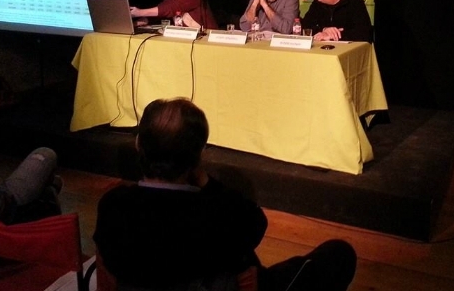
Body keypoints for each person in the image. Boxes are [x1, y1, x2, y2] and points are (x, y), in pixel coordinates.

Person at [93, 97, 357, 291]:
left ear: (139, 145)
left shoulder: (112, 205)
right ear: (198, 156)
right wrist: (205, 180)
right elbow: (254, 223)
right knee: (338, 254)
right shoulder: (218, 214)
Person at [0, 147, 62, 224]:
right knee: (45, 153)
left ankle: (45, 201)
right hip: (3, 209)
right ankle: (43, 208)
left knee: (48, 186)